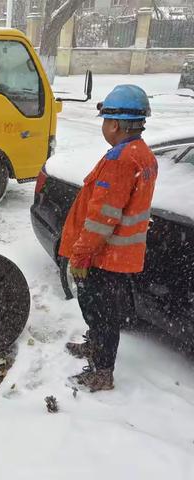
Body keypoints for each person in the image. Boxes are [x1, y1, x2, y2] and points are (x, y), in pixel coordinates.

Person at [59, 85, 157, 392]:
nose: (103, 126)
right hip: (116, 255)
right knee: (101, 311)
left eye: (105, 120)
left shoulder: (121, 161)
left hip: (104, 256)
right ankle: (96, 346)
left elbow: (103, 218)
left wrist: (81, 255)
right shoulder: (142, 154)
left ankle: (102, 372)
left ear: (115, 124)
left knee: (101, 312)